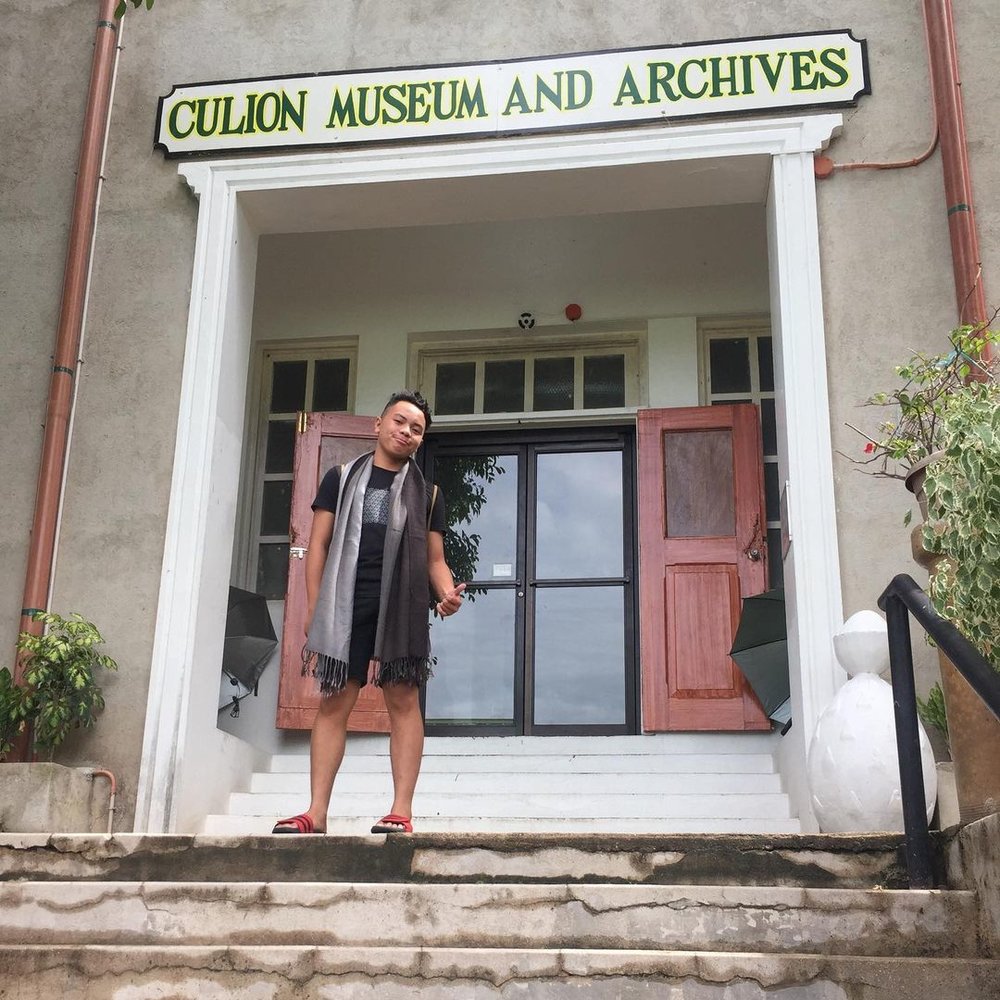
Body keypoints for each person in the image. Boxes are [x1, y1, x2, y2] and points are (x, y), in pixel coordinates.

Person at [272, 390, 464, 835]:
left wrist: (446, 593)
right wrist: (316, 607)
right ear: (378, 425)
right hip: (346, 601)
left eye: (417, 429)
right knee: (335, 700)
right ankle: (316, 813)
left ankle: (401, 811)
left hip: (401, 602)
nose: (407, 432)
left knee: (403, 699)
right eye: (400, 422)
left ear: (421, 440)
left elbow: (435, 560)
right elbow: (318, 546)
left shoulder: (429, 494)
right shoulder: (339, 478)